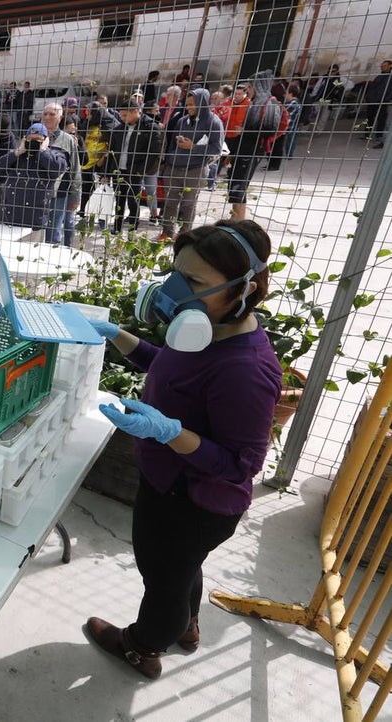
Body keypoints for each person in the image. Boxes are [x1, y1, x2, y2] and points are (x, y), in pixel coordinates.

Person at [84, 220, 281, 680]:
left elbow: (240, 466)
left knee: (163, 583)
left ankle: (143, 646)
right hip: (171, 486)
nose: (174, 291)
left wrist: (169, 431)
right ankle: (188, 627)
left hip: (192, 503)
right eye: (177, 273)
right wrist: (115, 334)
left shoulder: (245, 371)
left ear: (243, 290)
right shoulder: (208, 328)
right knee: (181, 571)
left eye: (193, 282)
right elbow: (166, 365)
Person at [160, 89, 223, 240]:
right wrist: (168, 159)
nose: (188, 107)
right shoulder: (182, 121)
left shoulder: (214, 122)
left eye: (192, 104)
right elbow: (171, 144)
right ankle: (167, 232)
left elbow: (216, 149)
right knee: (170, 202)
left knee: (188, 204)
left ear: (202, 103)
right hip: (174, 167)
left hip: (195, 169)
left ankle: (184, 234)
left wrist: (193, 147)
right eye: (187, 104)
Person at [0, 122, 69, 230]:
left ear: (45, 140)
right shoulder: (18, 155)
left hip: (34, 221)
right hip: (8, 216)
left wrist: (43, 151)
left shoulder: (53, 155)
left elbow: (58, 168)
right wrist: (18, 152)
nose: (33, 143)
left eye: (37, 140)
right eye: (30, 139)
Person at [228, 71, 282, 221]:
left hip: (253, 150)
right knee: (235, 183)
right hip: (243, 148)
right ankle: (236, 217)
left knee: (240, 184)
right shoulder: (256, 103)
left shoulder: (270, 103)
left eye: (250, 87)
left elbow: (271, 129)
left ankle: (238, 219)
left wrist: (245, 131)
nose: (248, 91)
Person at [105, 98, 162, 234]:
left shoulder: (150, 127)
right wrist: (107, 173)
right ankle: (117, 229)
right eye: (121, 115)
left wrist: (141, 171)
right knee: (119, 201)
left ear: (136, 111)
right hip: (120, 171)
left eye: (125, 115)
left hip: (135, 172)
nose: (122, 118)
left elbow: (154, 153)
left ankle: (131, 231)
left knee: (133, 203)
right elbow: (112, 152)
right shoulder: (119, 129)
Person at [40, 102, 82, 246]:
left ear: (60, 117)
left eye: (52, 114)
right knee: (36, 233)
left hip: (59, 195)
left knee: (54, 234)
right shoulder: (35, 134)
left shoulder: (67, 140)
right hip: (36, 193)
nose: (47, 117)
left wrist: (75, 196)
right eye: (45, 114)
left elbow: (76, 170)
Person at [364, 60, 392, 147]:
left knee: (382, 119)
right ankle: (367, 135)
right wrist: (368, 98)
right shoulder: (380, 76)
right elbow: (373, 88)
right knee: (370, 118)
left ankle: (379, 136)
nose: (382, 67)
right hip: (373, 101)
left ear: (390, 66)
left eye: (384, 65)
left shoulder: (390, 77)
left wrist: (385, 99)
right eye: (382, 66)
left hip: (383, 102)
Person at [284, 85, 303, 158]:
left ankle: (289, 154)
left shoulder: (293, 103)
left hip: (291, 126)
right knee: (292, 140)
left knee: (290, 140)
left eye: (286, 93)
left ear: (290, 94)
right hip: (293, 125)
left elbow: (283, 110)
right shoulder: (296, 102)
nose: (285, 95)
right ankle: (289, 153)